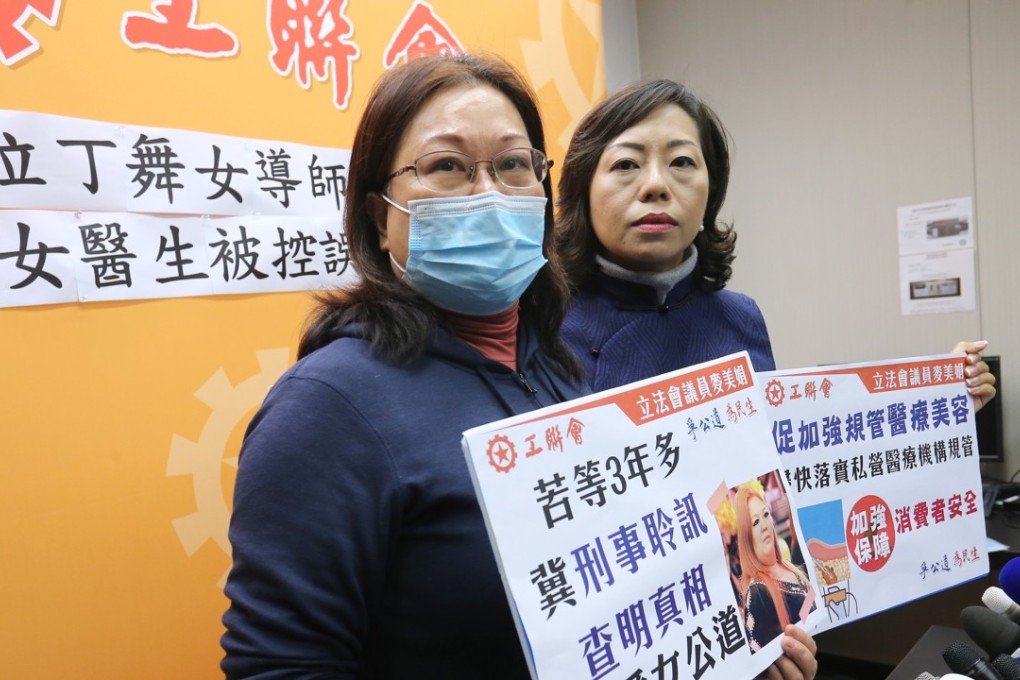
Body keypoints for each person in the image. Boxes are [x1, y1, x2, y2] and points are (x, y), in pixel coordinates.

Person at [220, 53, 586, 679]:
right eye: (446, 166)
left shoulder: (559, 363)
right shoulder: (326, 406)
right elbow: (280, 667)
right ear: (379, 218)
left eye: (514, 165)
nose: (491, 195)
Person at [555, 79, 997, 407]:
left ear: (712, 187)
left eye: (682, 161)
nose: (656, 185)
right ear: (582, 187)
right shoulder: (542, 325)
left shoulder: (740, 316)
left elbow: (792, 461)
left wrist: (941, 396)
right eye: (627, 163)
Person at [733, 484, 815, 652]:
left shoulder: (788, 567)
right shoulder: (757, 594)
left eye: (765, 515)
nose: (763, 525)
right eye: (755, 522)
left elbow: (807, 613)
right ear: (747, 536)